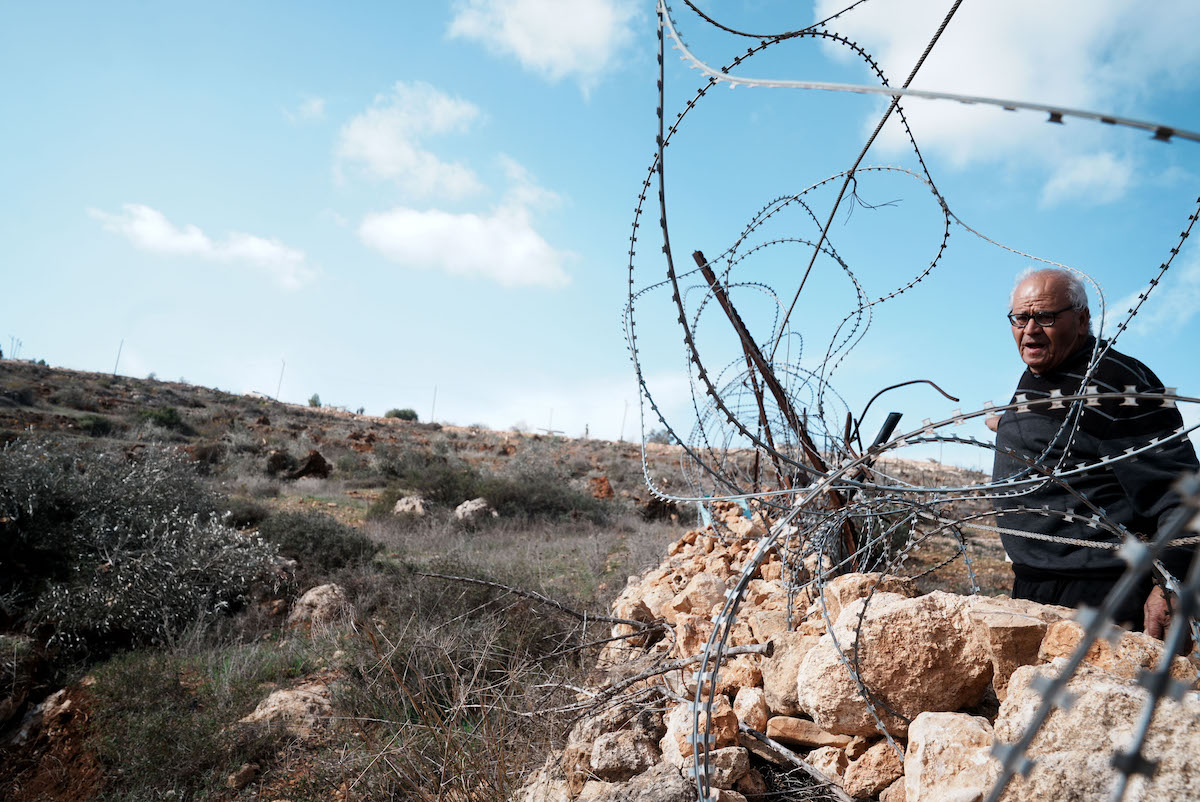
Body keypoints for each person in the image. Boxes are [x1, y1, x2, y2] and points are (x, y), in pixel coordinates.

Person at [989, 267, 1197, 638]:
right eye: (1021, 317)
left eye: (1046, 316)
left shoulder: (1121, 385)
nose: (1030, 329)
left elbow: (1184, 495)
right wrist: (1007, 426)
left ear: (1083, 320)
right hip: (1034, 589)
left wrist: (1170, 587)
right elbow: (1065, 439)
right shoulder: (1043, 370)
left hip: (1102, 598)